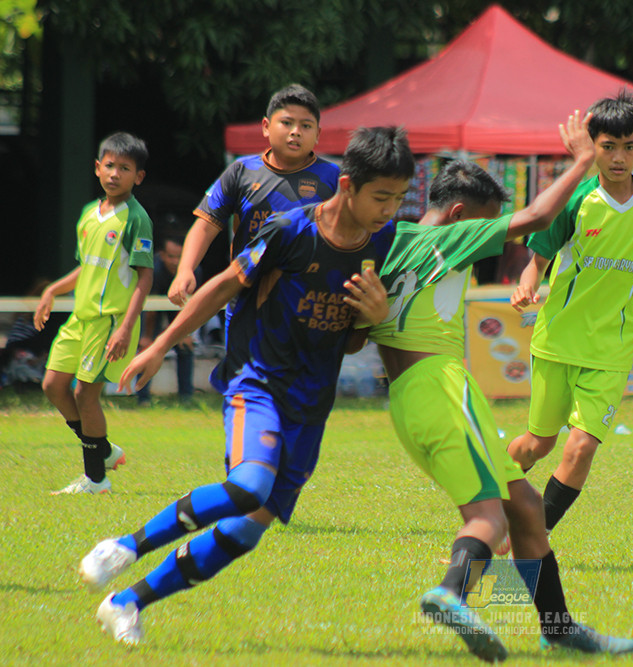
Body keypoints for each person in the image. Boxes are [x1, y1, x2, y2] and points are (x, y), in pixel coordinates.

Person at [77, 126, 411, 646]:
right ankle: (124, 545)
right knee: (249, 485)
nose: (391, 209)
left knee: (247, 530)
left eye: (400, 197)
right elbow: (224, 285)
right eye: (382, 196)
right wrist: (159, 345)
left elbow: (349, 343)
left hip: (310, 403)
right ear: (347, 185)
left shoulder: (385, 242)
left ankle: (127, 602)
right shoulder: (292, 229)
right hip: (258, 381)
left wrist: (371, 319)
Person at [370, 111, 633, 661]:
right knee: (489, 513)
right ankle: (452, 591)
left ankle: (558, 628)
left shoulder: (387, 242)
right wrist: (582, 161)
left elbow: (354, 337)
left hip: (407, 400)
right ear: (463, 215)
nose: (489, 243)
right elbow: (539, 216)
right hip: (440, 386)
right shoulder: (450, 236)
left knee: (527, 504)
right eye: (486, 228)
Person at [506, 89, 633, 533]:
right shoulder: (576, 200)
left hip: (612, 348)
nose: (619, 157)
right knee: (537, 445)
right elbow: (539, 258)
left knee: (581, 447)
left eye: (629, 146)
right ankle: (489, 495)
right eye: (608, 147)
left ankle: (534, 534)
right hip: (558, 340)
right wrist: (528, 283)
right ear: (593, 147)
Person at [33, 132, 155, 495]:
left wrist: (126, 328)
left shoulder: (136, 219)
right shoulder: (89, 213)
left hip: (110, 321)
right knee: (53, 386)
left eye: (125, 168)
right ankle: (102, 449)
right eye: (110, 165)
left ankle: (96, 479)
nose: (116, 173)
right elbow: (86, 267)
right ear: (97, 168)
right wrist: (53, 289)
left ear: (139, 177)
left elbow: (145, 276)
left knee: (86, 394)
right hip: (80, 318)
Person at [168, 83, 339, 308]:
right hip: (245, 302)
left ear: (318, 134)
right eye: (286, 123)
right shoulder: (241, 171)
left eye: (306, 126)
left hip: (308, 305)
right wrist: (184, 270)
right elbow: (205, 225)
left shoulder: (334, 177)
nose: (295, 131)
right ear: (266, 127)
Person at [136, 236, 201, 404]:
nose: (175, 262)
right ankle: (142, 398)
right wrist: (147, 337)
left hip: (181, 307)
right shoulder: (154, 271)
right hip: (151, 308)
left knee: (186, 346)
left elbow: (195, 306)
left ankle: (186, 398)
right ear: (161, 255)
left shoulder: (195, 271)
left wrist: (186, 333)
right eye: (171, 256)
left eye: (179, 257)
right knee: (146, 348)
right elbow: (151, 309)